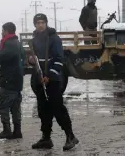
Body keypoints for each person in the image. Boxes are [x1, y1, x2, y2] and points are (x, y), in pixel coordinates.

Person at [29, 13, 79, 151]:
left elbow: (58, 59)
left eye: (42, 22)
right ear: (35, 24)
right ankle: (46, 138)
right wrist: (31, 61)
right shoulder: (34, 40)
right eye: (38, 22)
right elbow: (35, 59)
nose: (40, 25)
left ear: (46, 23)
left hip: (53, 80)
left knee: (58, 108)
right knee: (43, 110)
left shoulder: (54, 39)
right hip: (39, 79)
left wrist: (50, 75)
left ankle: (70, 136)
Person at [0, 22, 24, 139]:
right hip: (17, 80)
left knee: (3, 106)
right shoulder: (18, 43)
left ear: (7, 31)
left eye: (2, 30)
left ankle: (7, 130)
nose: (1, 32)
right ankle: (17, 131)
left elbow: (0, 58)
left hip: (9, 80)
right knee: (15, 107)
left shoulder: (8, 44)